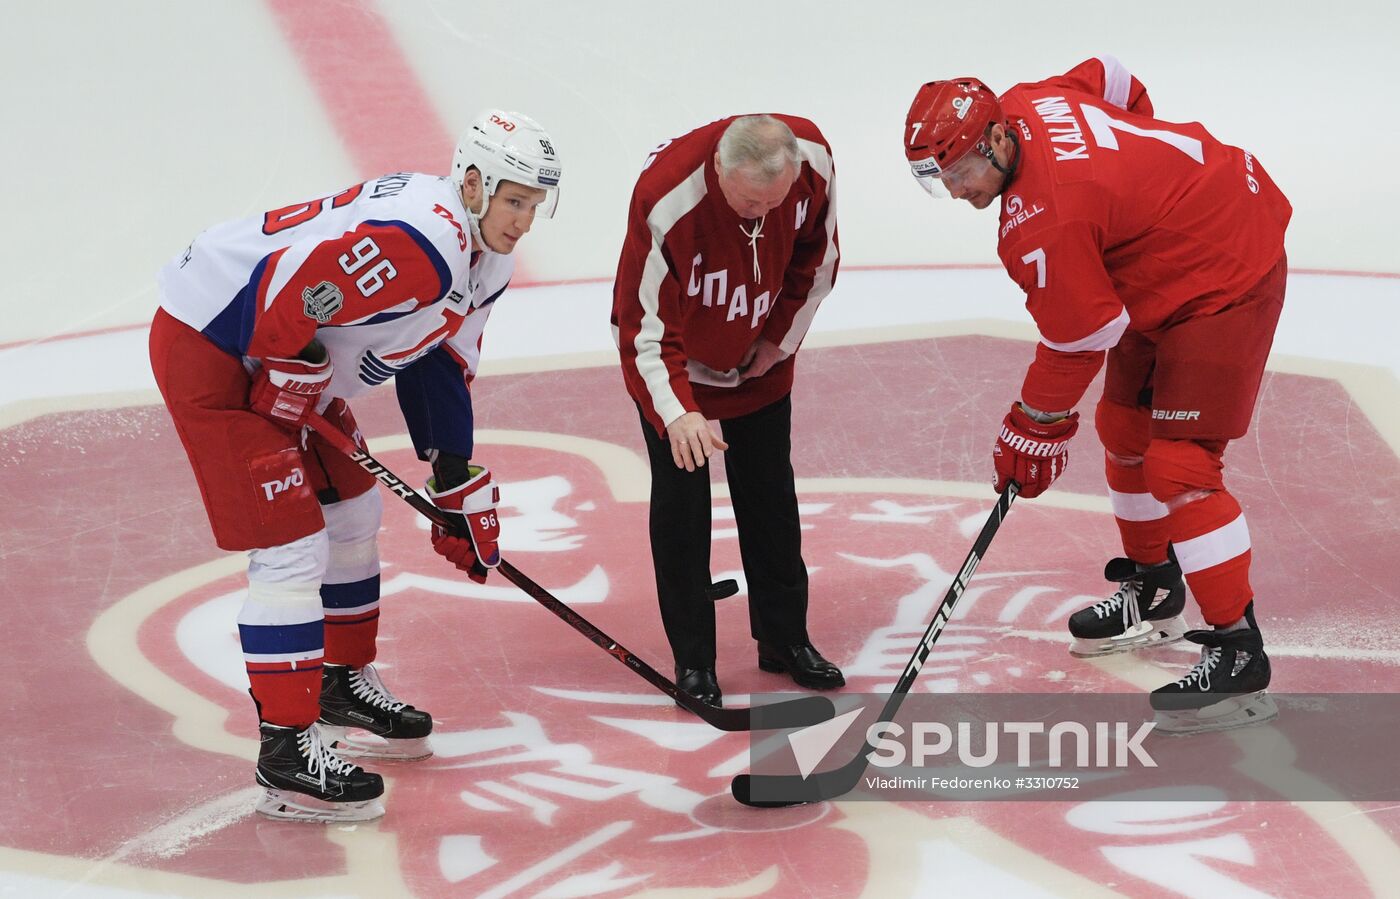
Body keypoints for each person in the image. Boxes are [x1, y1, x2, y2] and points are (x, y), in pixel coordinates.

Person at [149, 109, 562, 820]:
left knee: (355, 508)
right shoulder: (422, 244)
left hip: (275, 356)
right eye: (513, 199)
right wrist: (293, 367)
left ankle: (339, 682)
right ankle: (285, 753)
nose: (523, 220)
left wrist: (452, 479)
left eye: (534, 204)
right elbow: (291, 290)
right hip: (214, 342)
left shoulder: (484, 261)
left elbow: (442, 361)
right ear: (473, 182)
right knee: (291, 547)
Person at [903, 57, 1290, 732]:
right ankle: (1156, 585)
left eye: (961, 169)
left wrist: (1033, 423)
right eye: (940, 179)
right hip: (1167, 257)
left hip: (1226, 266)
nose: (958, 189)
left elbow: (1082, 333)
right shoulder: (1029, 98)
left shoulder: (1041, 223)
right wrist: (1139, 196)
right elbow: (1116, 78)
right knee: (1122, 428)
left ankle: (1238, 649)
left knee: (1181, 464)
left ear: (996, 139)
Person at [611, 114, 843, 709]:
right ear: (719, 171)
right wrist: (678, 411)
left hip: (757, 355)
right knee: (683, 509)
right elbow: (643, 329)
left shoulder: (812, 160)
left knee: (771, 495)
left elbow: (816, 260)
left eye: (775, 200)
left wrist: (778, 342)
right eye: (747, 201)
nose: (762, 214)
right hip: (675, 362)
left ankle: (785, 639)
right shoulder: (667, 200)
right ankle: (694, 662)